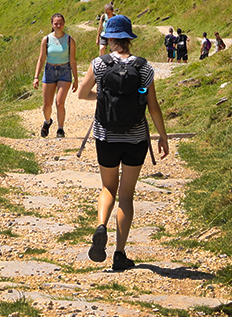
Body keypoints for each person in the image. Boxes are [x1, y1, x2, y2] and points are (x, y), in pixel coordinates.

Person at [78, 15, 169, 271]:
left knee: (108, 187)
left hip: (106, 136)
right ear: (129, 39)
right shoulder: (144, 68)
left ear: (109, 39)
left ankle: (100, 226)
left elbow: (82, 94)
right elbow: (153, 106)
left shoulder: (99, 64)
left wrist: (103, 97)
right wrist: (162, 136)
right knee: (126, 195)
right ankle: (119, 254)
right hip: (136, 138)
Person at [33, 13, 78, 138]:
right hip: (49, 71)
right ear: (52, 25)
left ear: (64, 24)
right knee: (47, 104)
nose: (58, 26)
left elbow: (73, 61)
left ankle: (60, 129)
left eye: (61, 23)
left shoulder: (69, 40)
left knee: (59, 102)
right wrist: (36, 77)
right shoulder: (46, 39)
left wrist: (76, 79)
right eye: (56, 23)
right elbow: (41, 59)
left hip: (65, 71)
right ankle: (47, 121)